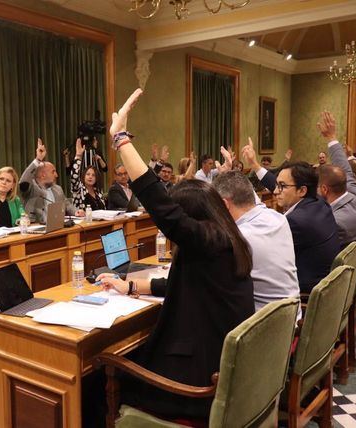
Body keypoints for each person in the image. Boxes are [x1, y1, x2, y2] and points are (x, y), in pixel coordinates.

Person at [98, 88, 254, 420]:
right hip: (223, 366)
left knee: (101, 374)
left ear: (191, 220)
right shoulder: (227, 238)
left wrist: (121, 139)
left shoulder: (208, 240)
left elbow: (160, 204)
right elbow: (185, 285)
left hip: (196, 385)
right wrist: (131, 287)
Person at [243, 138, 340, 294]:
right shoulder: (319, 202)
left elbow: (264, 251)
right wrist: (255, 165)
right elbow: (280, 183)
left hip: (306, 290)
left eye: (282, 187)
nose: (275, 191)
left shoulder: (296, 221)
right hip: (327, 283)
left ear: (302, 190)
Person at [212, 170, 300, 315]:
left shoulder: (237, 239)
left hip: (262, 329)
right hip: (290, 318)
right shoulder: (277, 218)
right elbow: (249, 196)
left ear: (224, 204)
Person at [316, 111, 356, 247]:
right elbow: (346, 171)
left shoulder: (333, 222)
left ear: (324, 189)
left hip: (337, 267)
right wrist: (331, 138)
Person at [19, 138, 81, 222]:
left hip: (56, 227)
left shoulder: (58, 189)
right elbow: (23, 181)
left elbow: (67, 205)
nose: (57, 175)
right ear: (43, 175)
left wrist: (76, 211)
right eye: (53, 172)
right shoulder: (31, 188)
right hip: (35, 229)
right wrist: (38, 159)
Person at [70, 138, 106, 211]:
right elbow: (74, 177)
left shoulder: (98, 192)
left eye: (93, 175)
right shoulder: (78, 189)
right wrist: (78, 156)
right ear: (83, 176)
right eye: (88, 174)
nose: (90, 177)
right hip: (83, 221)